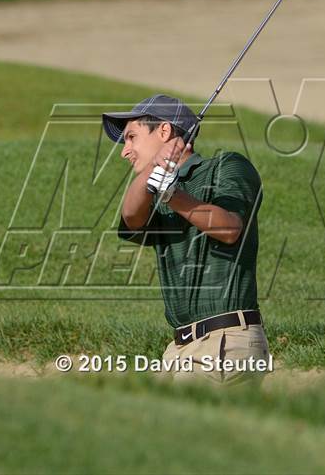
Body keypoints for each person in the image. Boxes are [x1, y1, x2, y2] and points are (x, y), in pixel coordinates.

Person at [102, 94, 271, 386]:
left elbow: (230, 228)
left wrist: (172, 195)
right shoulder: (152, 195)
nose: (124, 151)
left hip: (225, 341)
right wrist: (157, 173)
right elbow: (131, 215)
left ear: (164, 131)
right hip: (179, 349)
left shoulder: (225, 166)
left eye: (131, 137)